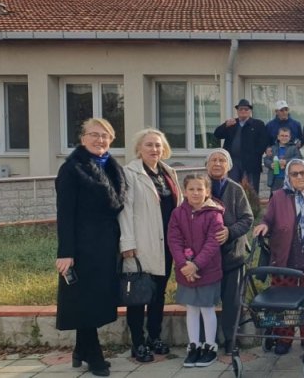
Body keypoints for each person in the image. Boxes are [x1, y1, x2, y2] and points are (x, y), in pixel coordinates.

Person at [56, 118, 126, 377]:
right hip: (83, 246)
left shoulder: (111, 166)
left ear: (112, 139)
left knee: (96, 297)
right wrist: (65, 252)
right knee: (86, 300)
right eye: (94, 135)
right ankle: (93, 354)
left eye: (105, 135)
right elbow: (64, 213)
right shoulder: (72, 168)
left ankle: (80, 349)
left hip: (106, 245)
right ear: (82, 138)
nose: (100, 140)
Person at [119, 128, 182, 363]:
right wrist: (127, 243)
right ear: (139, 148)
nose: (154, 149)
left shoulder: (169, 172)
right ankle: (138, 343)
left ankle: (154, 337)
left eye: (158, 145)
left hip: (166, 244)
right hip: (141, 244)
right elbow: (125, 211)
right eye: (149, 145)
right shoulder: (129, 173)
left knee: (158, 292)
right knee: (138, 294)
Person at [253, 159, 304, 355]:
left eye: (303, 172)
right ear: (288, 176)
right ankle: (284, 338)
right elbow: (268, 219)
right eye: (294, 174)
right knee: (283, 302)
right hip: (286, 258)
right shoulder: (278, 196)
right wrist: (264, 226)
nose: (300, 177)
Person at [167, 173, 225, 368]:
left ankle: (210, 346)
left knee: (207, 308)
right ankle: (194, 345)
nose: (195, 193)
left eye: (200, 189)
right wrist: (184, 264)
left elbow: (212, 243)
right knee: (191, 308)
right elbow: (173, 239)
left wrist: (196, 264)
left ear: (207, 191)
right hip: (186, 271)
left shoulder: (214, 214)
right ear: (184, 191)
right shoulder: (178, 213)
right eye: (191, 189)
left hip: (207, 270)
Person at [206, 149, 254, 355]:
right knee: (205, 300)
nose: (217, 163)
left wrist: (230, 232)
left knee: (232, 301)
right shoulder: (200, 187)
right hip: (206, 256)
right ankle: (205, 341)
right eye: (213, 160)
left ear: (229, 165)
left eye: (221, 160)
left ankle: (230, 339)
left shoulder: (235, 189)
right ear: (207, 164)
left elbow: (248, 219)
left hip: (233, 254)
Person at [213, 99, 269, 193]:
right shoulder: (232, 123)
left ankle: (252, 208)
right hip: (233, 161)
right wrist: (225, 125)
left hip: (251, 163)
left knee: (251, 190)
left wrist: (256, 155)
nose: (243, 111)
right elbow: (217, 134)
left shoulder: (258, 124)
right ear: (237, 111)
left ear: (250, 111)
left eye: (246, 109)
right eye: (241, 109)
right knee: (232, 187)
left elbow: (263, 142)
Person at [265, 127, 302, 192]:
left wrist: (286, 162)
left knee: (289, 199)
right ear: (278, 137)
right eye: (282, 135)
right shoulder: (273, 148)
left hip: (289, 178)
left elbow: (299, 158)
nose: (284, 137)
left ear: (290, 137)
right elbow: (266, 159)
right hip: (275, 179)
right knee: (275, 199)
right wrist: (270, 164)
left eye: (286, 136)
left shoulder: (294, 148)